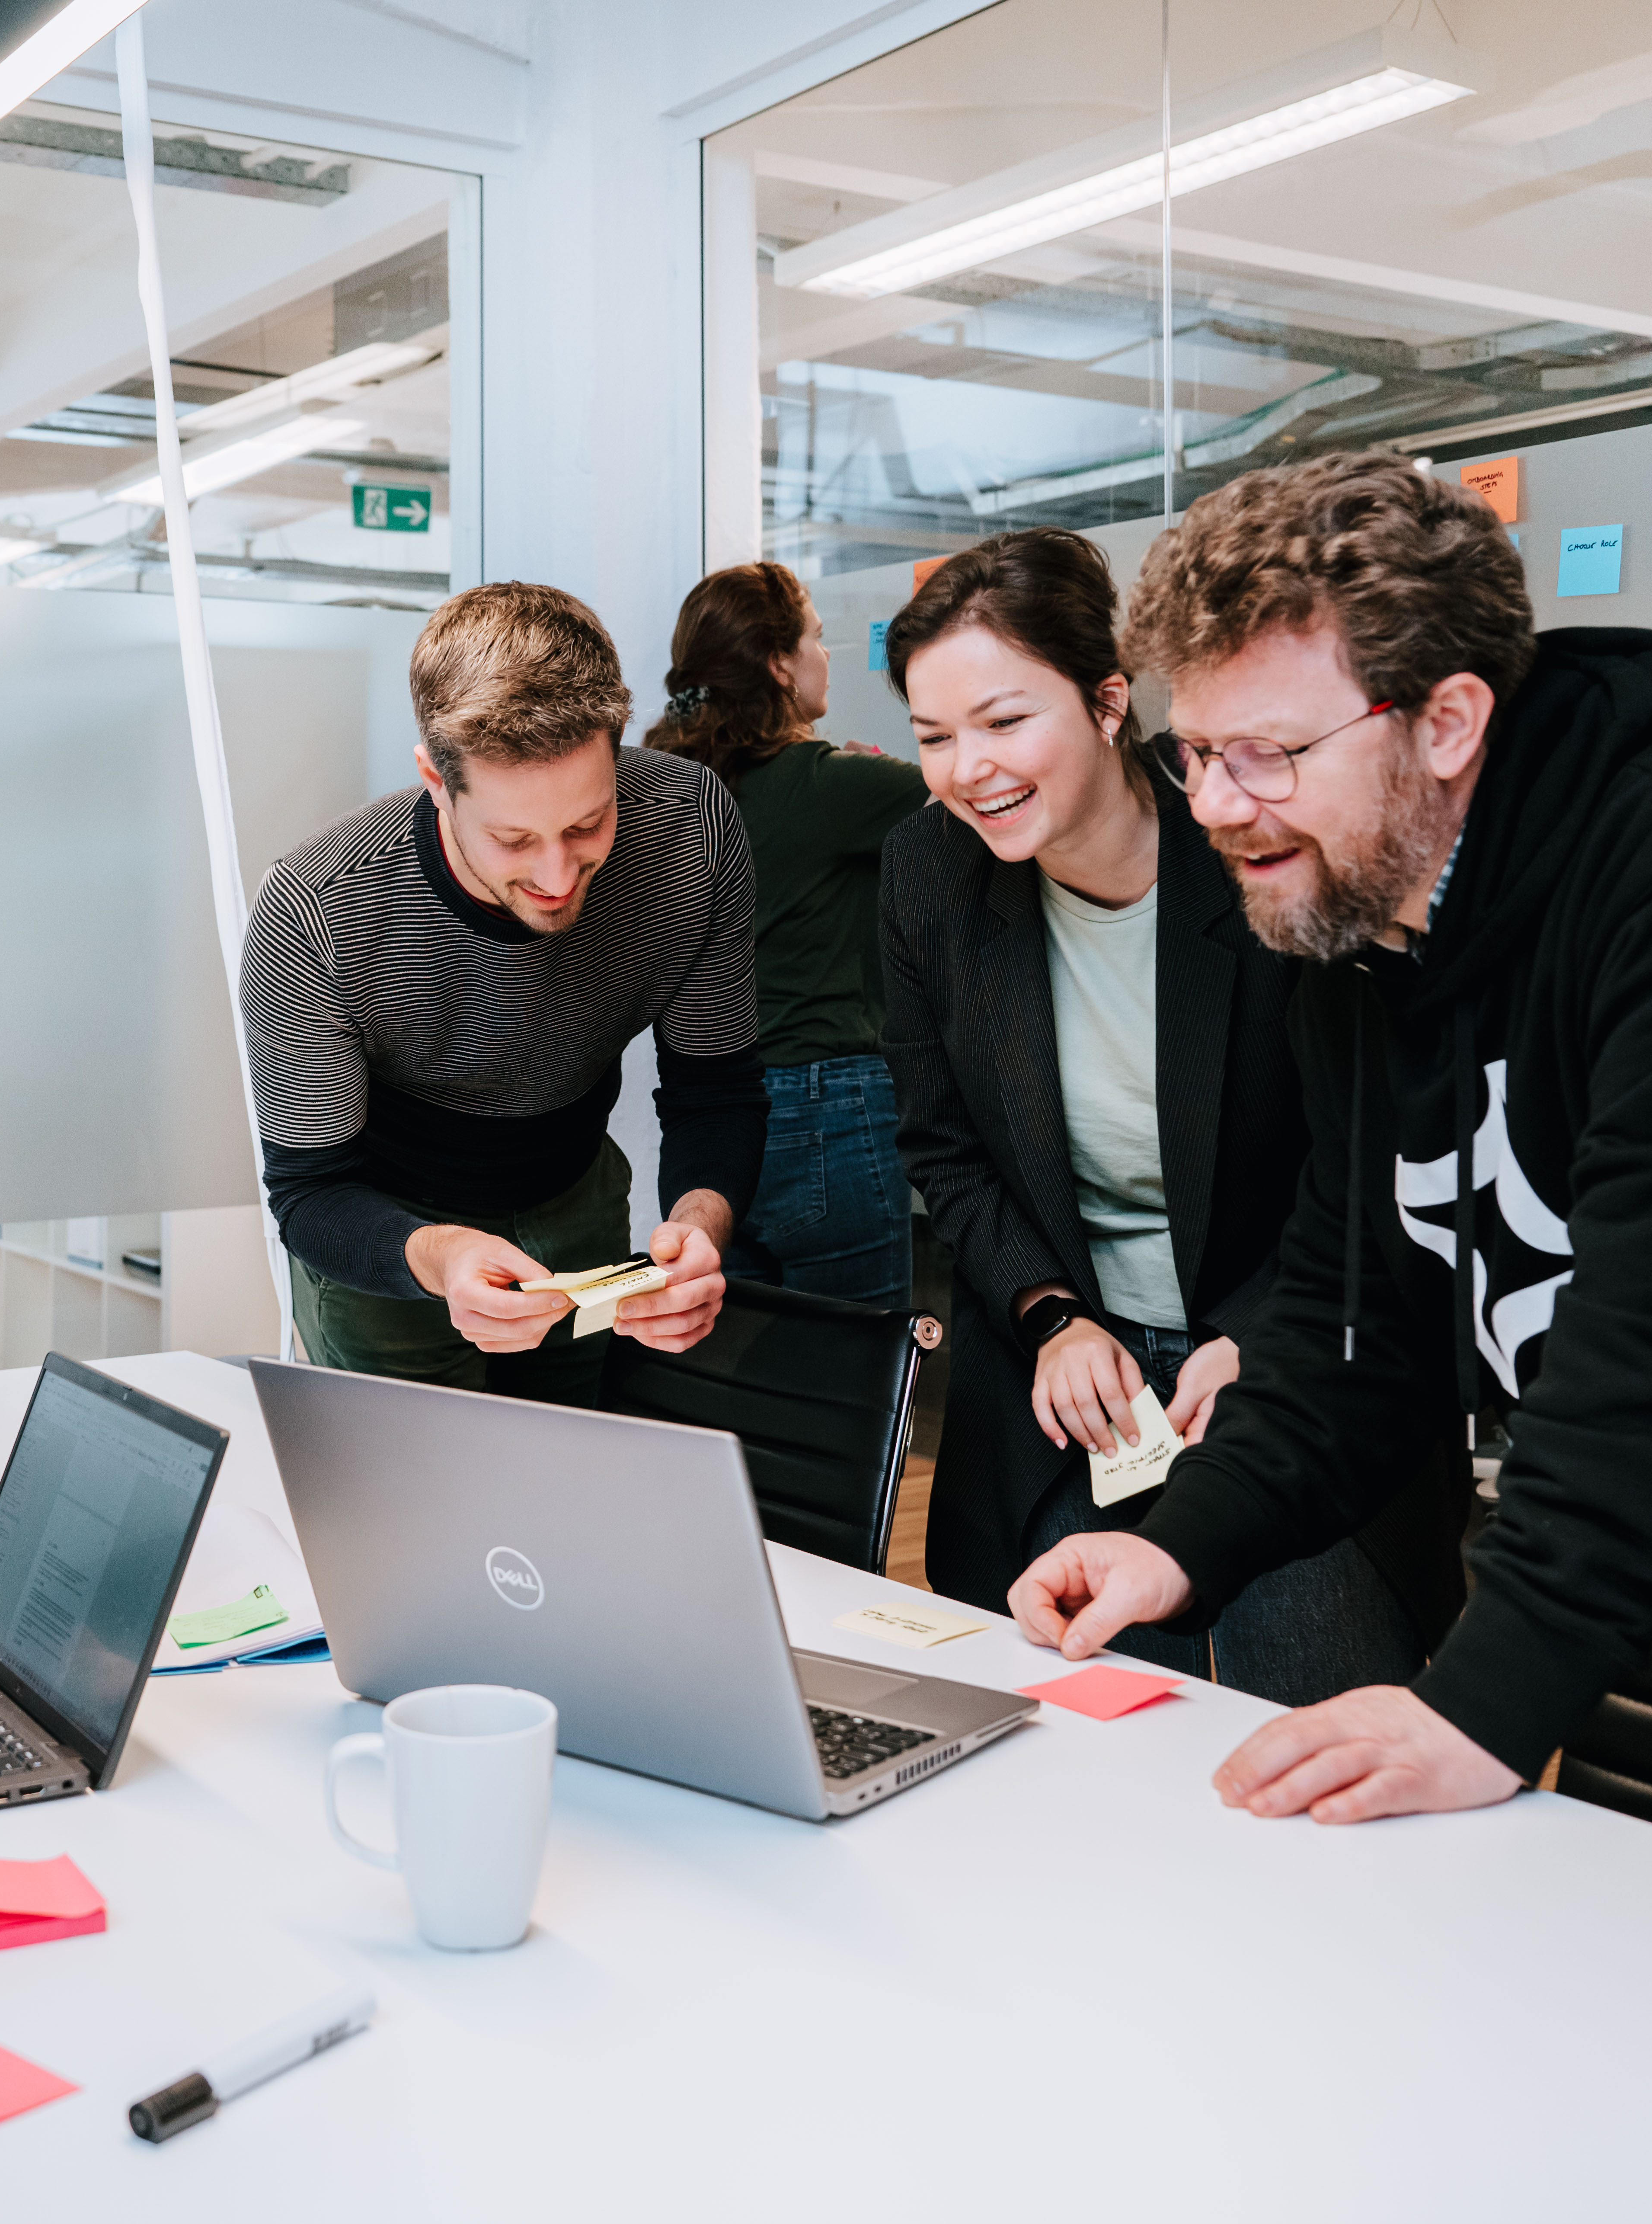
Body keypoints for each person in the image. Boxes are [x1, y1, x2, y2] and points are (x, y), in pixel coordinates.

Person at [1008, 452, 1652, 1821]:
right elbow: (1350, 1310)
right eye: (1193, 754)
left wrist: (1478, 1704)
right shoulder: (1355, 915)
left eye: (1267, 754)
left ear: (1447, 720)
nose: (1212, 806)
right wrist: (1180, 1546)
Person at [877, 529, 1435, 1706]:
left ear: (1109, 699)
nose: (967, 768)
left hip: (1285, 1367)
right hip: (1077, 1389)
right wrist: (1051, 1315)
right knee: (1082, 1748)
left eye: (1003, 721)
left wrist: (1260, 1338)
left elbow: (1365, 1152)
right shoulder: (928, 874)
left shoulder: (1260, 848)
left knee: (1317, 1718)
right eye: (933, 737)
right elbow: (945, 1144)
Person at [243, 580, 765, 1404]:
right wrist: (442, 1255)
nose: (557, 877)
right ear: (433, 779)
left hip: (577, 1194)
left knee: (571, 1469)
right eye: (512, 838)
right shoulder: (318, 909)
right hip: (386, 1232)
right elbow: (311, 1192)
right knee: (410, 1499)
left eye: (589, 825)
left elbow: (716, 1089)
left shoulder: (692, 832)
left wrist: (700, 1229)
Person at [647, 561, 926, 1310]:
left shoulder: (667, 791)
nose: (825, 657)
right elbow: (983, 794)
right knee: (856, 1375)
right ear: (777, 663)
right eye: (816, 639)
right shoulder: (832, 783)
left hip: (710, 1119)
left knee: (743, 1369)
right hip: (831, 1105)